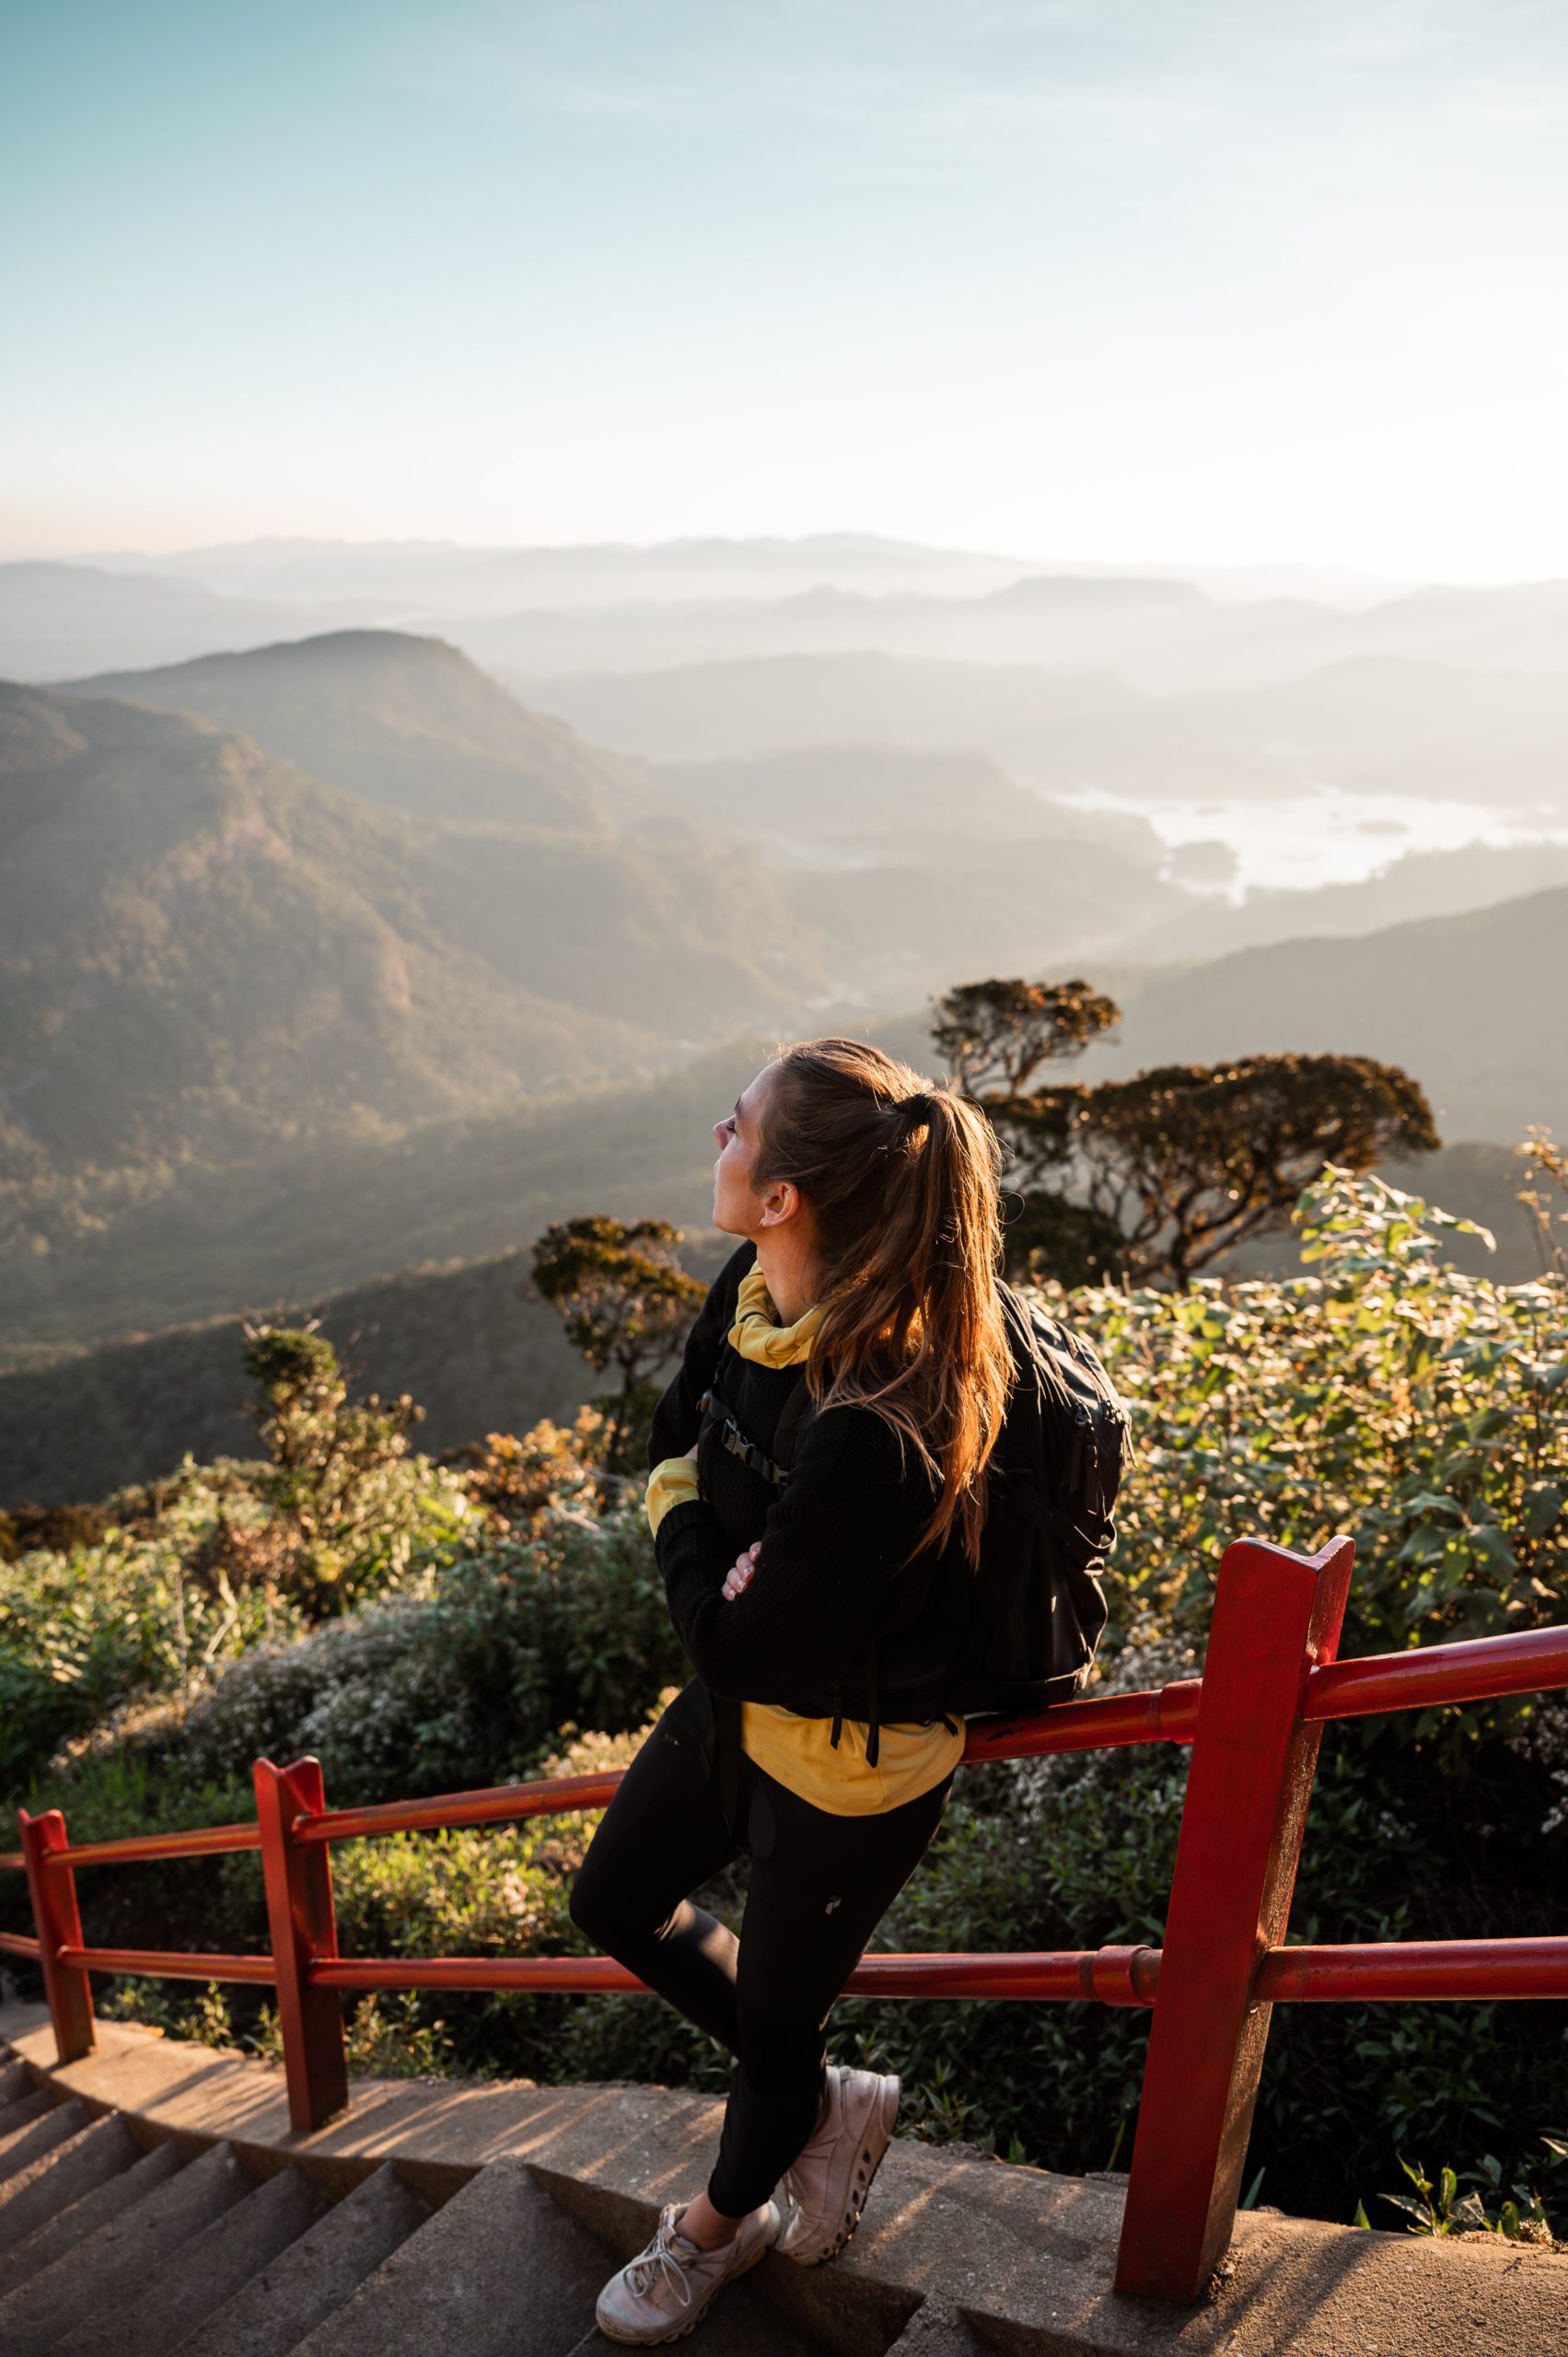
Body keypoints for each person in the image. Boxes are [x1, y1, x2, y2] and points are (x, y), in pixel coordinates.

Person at [571, 1037, 1016, 2346]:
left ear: (786, 1195)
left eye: (740, 1125)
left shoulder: (879, 1420)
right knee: (612, 1901)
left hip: (850, 1775)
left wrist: (704, 1562)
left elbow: (729, 1638)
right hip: (748, 1714)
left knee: (771, 2035)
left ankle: (714, 2232)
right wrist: (708, 1540)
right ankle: (828, 2102)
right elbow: (672, 1447)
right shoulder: (754, 1287)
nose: (719, 1126)